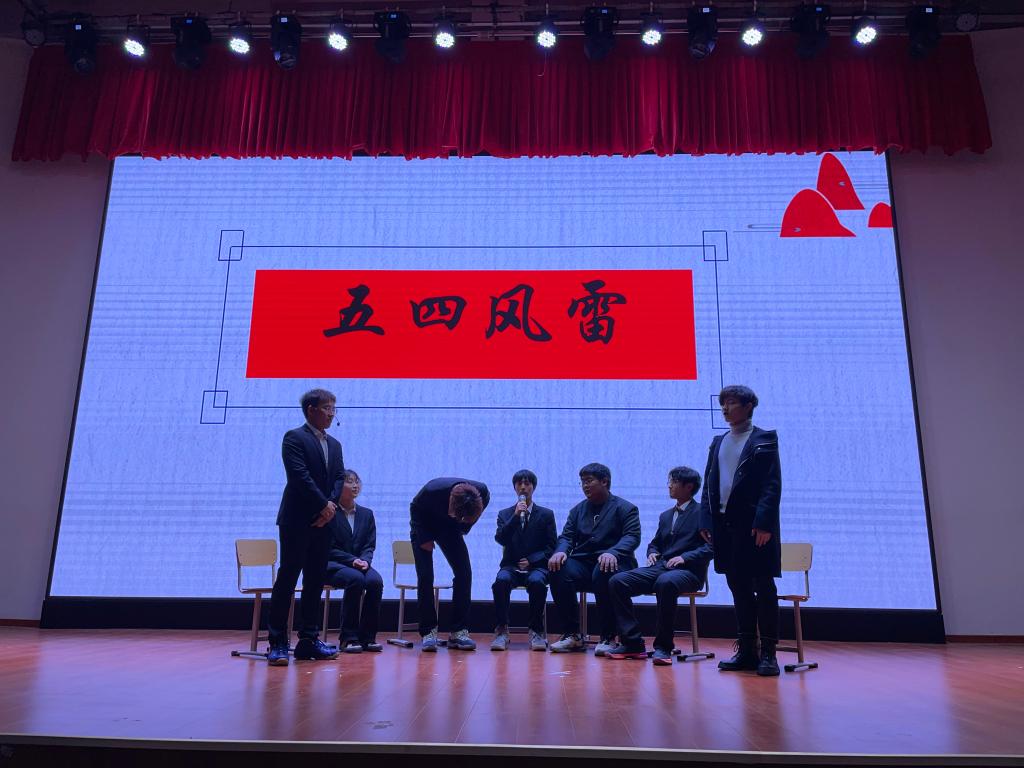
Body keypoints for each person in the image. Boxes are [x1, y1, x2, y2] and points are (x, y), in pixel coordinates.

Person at [699, 385, 783, 676]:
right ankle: (747, 650)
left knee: (764, 587)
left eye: (732, 403)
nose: (725, 408)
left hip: (755, 526)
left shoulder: (764, 439)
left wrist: (764, 523)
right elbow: (709, 484)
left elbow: (771, 485)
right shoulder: (718, 441)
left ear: (748, 406)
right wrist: (705, 521)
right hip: (725, 525)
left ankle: (769, 653)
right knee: (738, 587)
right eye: (723, 403)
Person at [266, 388, 345, 667]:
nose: (332, 414)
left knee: (315, 581)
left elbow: (339, 477)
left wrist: (330, 507)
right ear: (311, 410)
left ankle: (308, 640)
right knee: (288, 578)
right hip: (298, 519)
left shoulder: (334, 444)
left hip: (325, 521)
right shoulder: (294, 437)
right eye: (327, 408)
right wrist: (322, 505)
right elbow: (298, 476)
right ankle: (277, 642)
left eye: (334, 409)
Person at [606, 466, 712, 664]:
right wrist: (652, 552)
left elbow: (712, 547)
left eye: (673, 481)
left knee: (666, 582)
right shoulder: (665, 515)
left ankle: (663, 647)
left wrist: (685, 557)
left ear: (689, 486)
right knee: (618, 581)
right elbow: (655, 543)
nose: (669, 486)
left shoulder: (702, 513)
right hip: (661, 568)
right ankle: (632, 642)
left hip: (689, 572)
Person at [548, 463, 640, 655]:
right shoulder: (577, 510)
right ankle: (572, 634)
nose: (584, 486)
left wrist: (613, 552)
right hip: (584, 563)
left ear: (604, 482)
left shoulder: (625, 508)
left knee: (604, 569)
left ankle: (608, 636)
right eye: (582, 482)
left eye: (589, 481)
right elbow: (566, 537)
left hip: (616, 562)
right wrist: (561, 551)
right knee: (558, 568)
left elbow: (632, 537)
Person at [410, 477, 490, 652]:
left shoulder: (482, 493)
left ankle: (458, 631)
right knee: (426, 576)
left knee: (464, 574)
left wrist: (463, 525)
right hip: (424, 524)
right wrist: (424, 538)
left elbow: (471, 517)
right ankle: (428, 632)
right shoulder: (432, 491)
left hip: (450, 528)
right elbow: (415, 509)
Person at [490, 469, 557, 652]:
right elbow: (500, 539)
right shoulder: (505, 514)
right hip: (511, 566)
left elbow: (552, 546)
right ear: (514, 487)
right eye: (519, 483)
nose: (523, 487)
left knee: (537, 582)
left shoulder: (546, 514)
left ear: (533, 487)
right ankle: (502, 630)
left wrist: (532, 561)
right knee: (501, 581)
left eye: (527, 483)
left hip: (537, 567)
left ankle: (536, 631)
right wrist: (515, 516)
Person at [325, 470, 383, 653]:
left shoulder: (367, 514)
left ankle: (368, 637)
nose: (355, 485)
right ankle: (348, 638)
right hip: (333, 565)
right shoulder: (329, 512)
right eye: (349, 481)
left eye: (357, 481)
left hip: (359, 564)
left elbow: (369, 545)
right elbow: (329, 548)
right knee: (355, 579)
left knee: (375, 581)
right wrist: (352, 561)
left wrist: (365, 560)